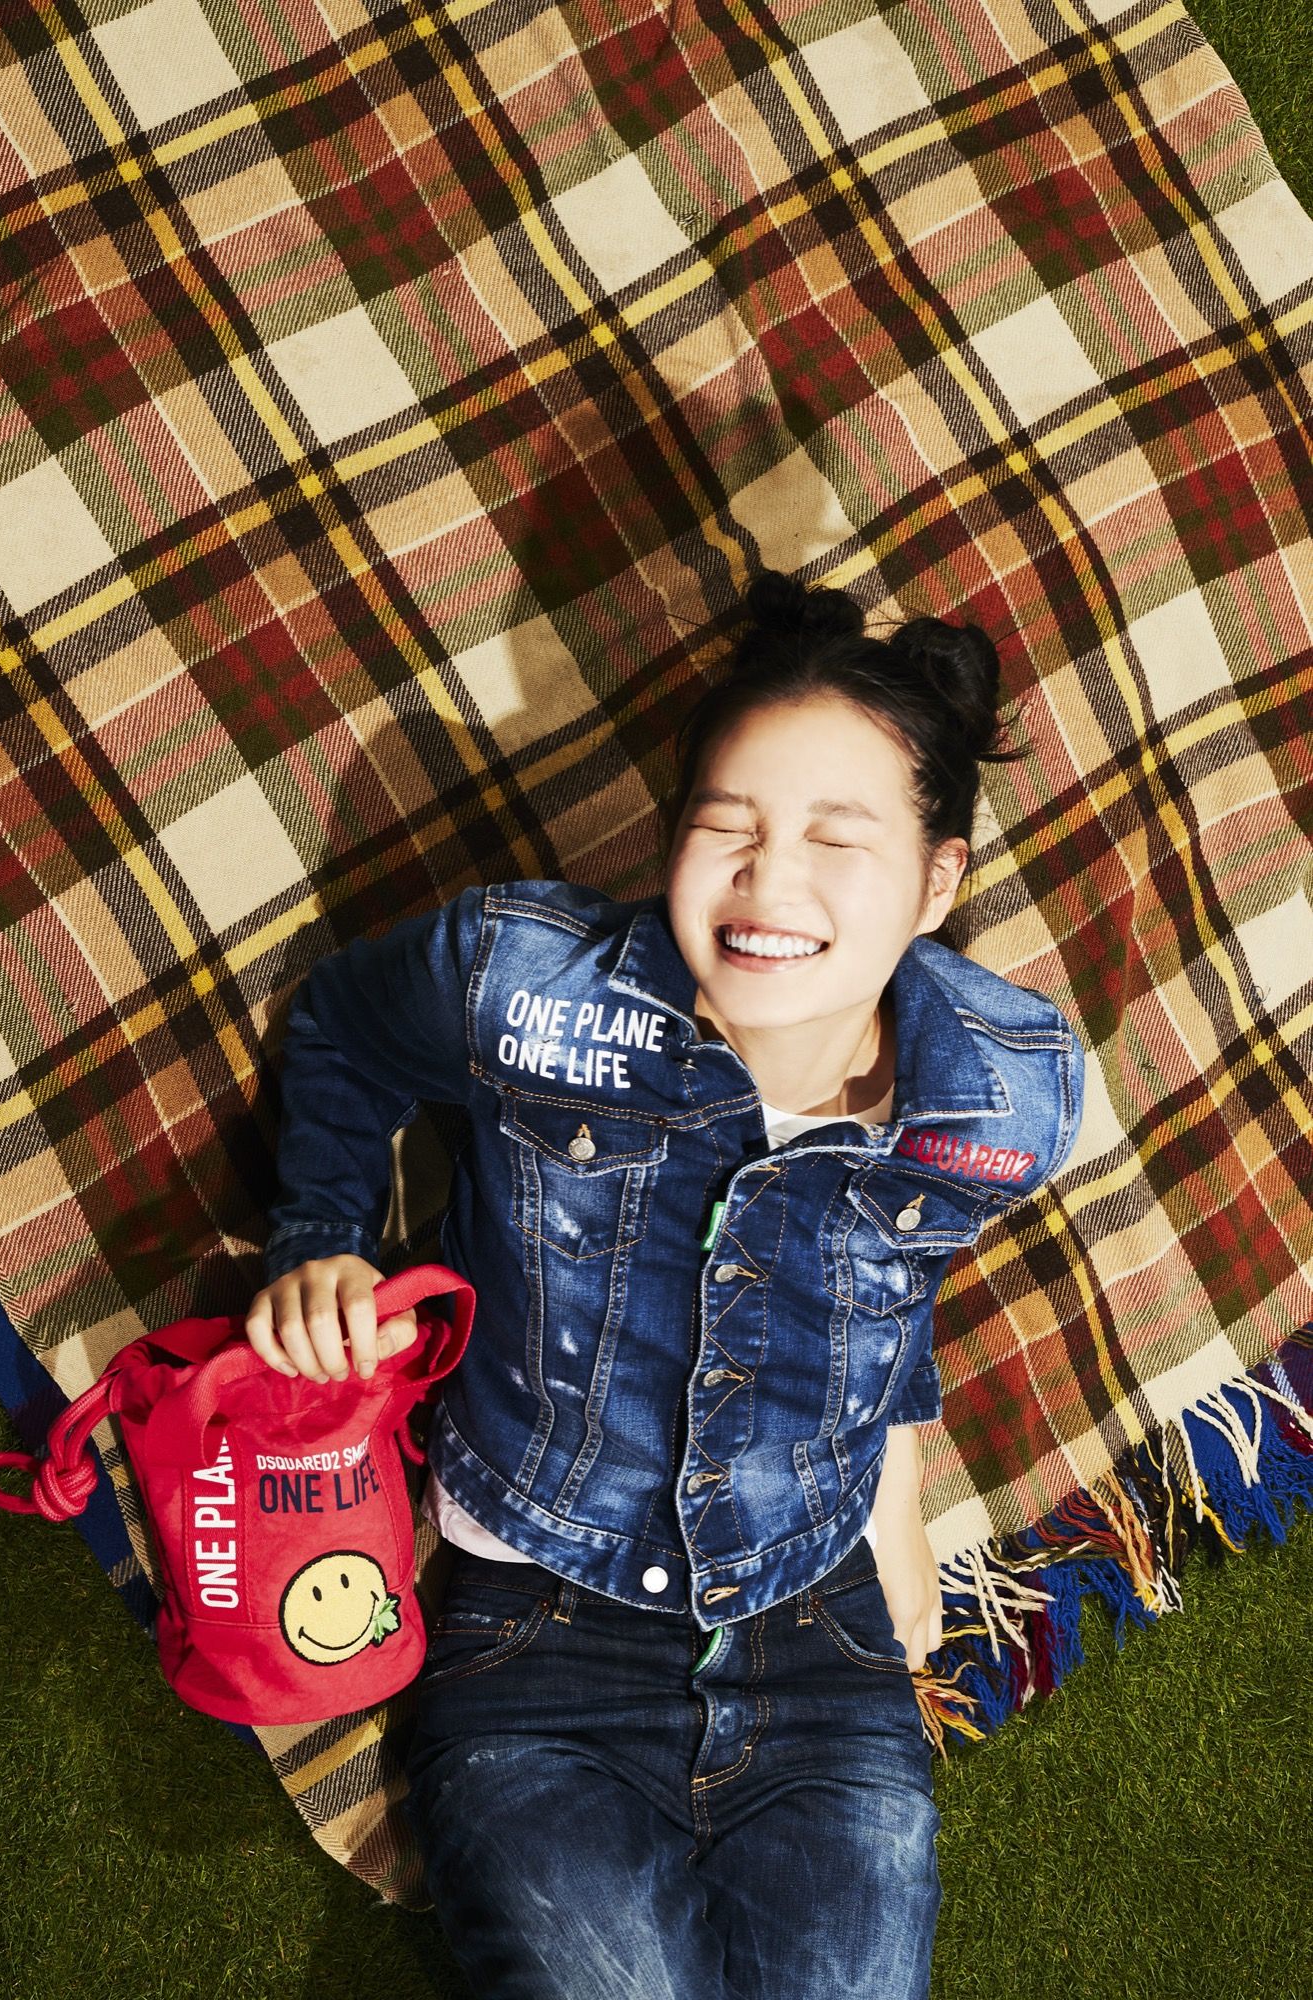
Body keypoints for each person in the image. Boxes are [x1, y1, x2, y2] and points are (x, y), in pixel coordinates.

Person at [245, 568, 1085, 1999]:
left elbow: (887, 1279)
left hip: (816, 1624)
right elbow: (339, 1029)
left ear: (938, 879)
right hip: (541, 1627)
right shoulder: (524, 984)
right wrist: (321, 1235)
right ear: (670, 833)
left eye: (837, 839)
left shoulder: (1008, 1089)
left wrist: (895, 1486)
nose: (770, 884)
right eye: (726, 826)